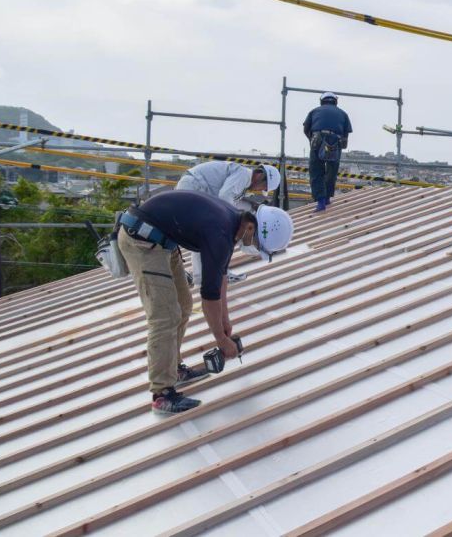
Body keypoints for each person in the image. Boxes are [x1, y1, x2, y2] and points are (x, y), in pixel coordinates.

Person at [117, 190, 292, 414]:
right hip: (142, 241)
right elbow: (209, 295)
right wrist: (221, 339)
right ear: (250, 228)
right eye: (257, 244)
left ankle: (174, 369)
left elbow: (221, 279)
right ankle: (161, 395)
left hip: (162, 240)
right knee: (165, 316)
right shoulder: (220, 233)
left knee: (184, 304)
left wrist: (225, 322)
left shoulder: (233, 221)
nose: (254, 247)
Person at [175, 161, 280, 283]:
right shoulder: (243, 175)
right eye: (263, 187)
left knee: (202, 237)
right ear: (259, 175)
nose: (259, 190)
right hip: (194, 186)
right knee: (214, 233)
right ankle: (216, 275)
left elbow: (233, 200)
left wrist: (251, 208)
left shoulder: (243, 183)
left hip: (194, 187)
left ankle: (201, 279)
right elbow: (225, 196)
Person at [303, 91, 352, 212]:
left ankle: (320, 202)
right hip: (335, 141)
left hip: (318, 139)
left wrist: (312, 140)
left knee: (316, 171)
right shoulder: (343, 113)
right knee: (332, 171)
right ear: (335, 101)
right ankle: (327, 198)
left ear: (322, 101)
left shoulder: (314, 111)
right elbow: (346, 134)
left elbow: (306, 129)